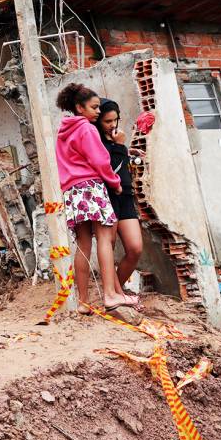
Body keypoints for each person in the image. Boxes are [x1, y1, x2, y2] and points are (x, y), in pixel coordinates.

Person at [54, 83, 138, 312]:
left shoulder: (63, 132)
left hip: (71, 191)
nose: (98, 111)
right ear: (79, 108)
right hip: (90, 186)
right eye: (94, 107)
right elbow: (100, 161)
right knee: (104, 239)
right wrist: (115, 183)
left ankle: (82, 302)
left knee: (82, 245)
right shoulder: (87, 129)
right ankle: (110, 295)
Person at [96, 99, 145, 293]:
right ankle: (114, 294)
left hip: (125, 196)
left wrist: (125, 150)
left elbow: (120, 162)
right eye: (108, 121)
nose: (113, 125)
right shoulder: (96, 141)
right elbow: (111, 168)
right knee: (109, 246)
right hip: (108, 196)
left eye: (116, 120)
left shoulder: (115, 141)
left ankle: (117, 290)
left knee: (135, 248)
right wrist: (120, 146)